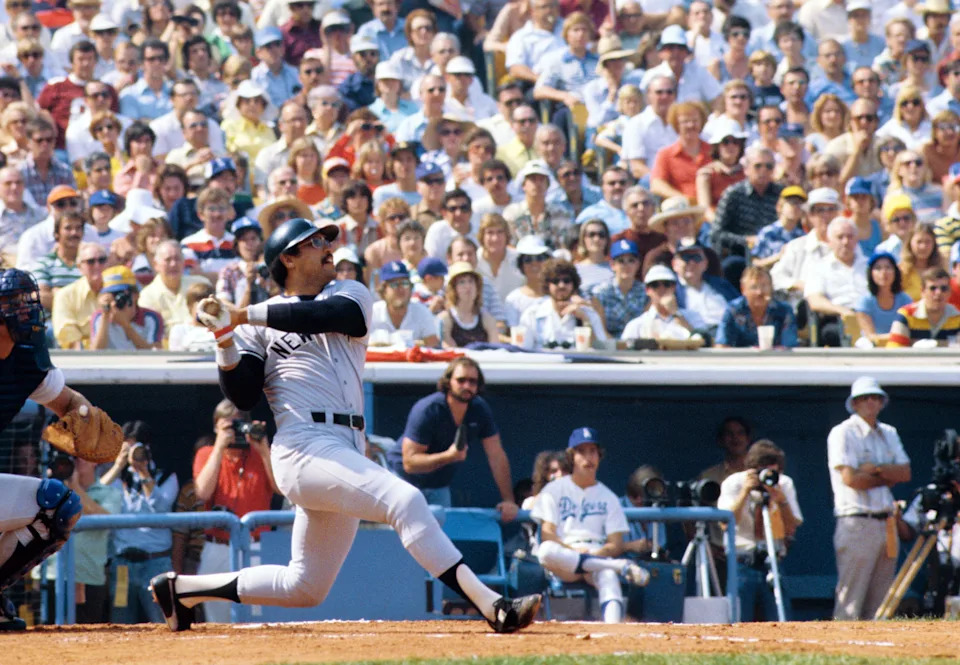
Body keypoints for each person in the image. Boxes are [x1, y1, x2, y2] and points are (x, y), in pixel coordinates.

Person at [150, 219, 541, 634]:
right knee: (405, 502)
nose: (329, 247)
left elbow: (330, 315)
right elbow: (244, 395)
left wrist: (243, 313)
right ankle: (492, 604)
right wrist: (225, 337)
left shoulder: (348, 292)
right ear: (288, 257)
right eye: (315, 241)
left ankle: (182, 590)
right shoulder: (251, 329)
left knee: (305, 586)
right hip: (303, 446)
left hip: (346, 446)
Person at [0, 268, 117, 631]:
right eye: (11, 303)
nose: (24, 310)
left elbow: (67, 401)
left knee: (59, 505)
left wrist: (85, 418)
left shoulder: (25, 357)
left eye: (25, 301)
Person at [532, 427, 650, 624]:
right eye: (582, 451)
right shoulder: (553, 490)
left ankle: (612, 631)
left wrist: (594, 556)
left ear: (599, 456)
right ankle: (619, 566)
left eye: (593, 451)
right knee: (545, 550)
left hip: (597, 555)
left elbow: (615, 544)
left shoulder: (609, 497)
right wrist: (573, 550)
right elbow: (547, 534)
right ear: (571, 456)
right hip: (564, 557)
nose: (588, 457)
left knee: (608, 577)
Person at [828, 376, 911, 620]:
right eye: (865, 398)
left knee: (881, 602)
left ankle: (875, 654)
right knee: (851, 598)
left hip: (886, 522)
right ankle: (842, 653)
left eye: (876, 398)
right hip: (856, 521)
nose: (871, 403)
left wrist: (872, 469)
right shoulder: (842, 432)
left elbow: (905, 472)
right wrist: (887, 474)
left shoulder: (888, 432)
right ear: (854, 404)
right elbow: (851, 479)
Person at [191, 399, 277, 623]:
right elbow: (202, 493)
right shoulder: (207, 453)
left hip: (256, 545)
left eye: (239, 426)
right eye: (229, 426)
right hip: (218, 545)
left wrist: (264, 450)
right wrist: (220, 446)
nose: (235, 432)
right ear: (216, 427)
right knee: (217, 618)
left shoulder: (261, 454)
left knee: (258, 616)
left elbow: (281, 488)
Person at [100, 421, 178, 624]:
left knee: (163, 621)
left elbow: (161, 507)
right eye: (128, 448)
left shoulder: (166, 475)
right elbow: (97, 496)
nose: (133, 454)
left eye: (137, 448)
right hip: (123, 565)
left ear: (148, 448)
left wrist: (144, 473)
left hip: (156, 564)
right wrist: (118, 465)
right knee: (120, 623)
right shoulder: (117, 477)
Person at [717, 439, 803, 622]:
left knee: (780, 618)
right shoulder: (734, 483)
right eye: (762, 472)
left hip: (772, 560)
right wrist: (745, 492)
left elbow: (791, 526)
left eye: (773, 471)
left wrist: (781, 500)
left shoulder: (783, 484)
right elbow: (726, 523)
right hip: (742, 562)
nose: (767, 477)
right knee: (738, 619)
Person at [519, 258, 607, 349]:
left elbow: (602, 351)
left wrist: (585, 321)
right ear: (547, 285)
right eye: (555, 281)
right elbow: (523, 352)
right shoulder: (531, 315)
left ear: (574, 284)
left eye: (566, 280)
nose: (561, 285)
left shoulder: (589, 315)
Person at [621, 265, 705, 342]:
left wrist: (676, 314)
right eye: (655, 285)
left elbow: (705, 342)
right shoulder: (637, 325)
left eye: (666, 284)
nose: (661, 289)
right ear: (647, 290)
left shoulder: (693, 317)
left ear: (674, 287)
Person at [91, 265, 164, 350]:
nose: (117, 299)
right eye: (112, 295)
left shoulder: (151, 318)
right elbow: (95, 353)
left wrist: (125, 325)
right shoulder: (100, 317)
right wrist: (105, 316)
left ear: (136, 295)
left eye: (121, 294)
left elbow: (154, 354)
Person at [369, 261, 440, 347]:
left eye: (405, 283)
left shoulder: (422, 312)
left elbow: (433, 345)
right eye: (394, 284)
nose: (401, 289)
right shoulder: (371, 313)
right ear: (383, 290)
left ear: (411, 287)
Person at [887, 266, 960, 346]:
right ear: (922, 291)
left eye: (943, 288)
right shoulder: (906, 315)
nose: (938, 292)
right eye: (933, 288)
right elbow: (895, 352)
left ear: (949, 292)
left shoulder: (957, 318)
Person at [589, 239, 647, 339]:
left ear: (638, 264)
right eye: (621, 261)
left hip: (639, 346)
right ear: (612, 265)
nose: (626, 265)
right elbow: (600, 330)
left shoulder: (645, 292)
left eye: (631, 261)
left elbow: (647, 328)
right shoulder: (600, 293)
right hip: (608, 347)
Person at [855, 252, 914, 343]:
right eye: (878, 268)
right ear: (870, 273)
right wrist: (895, 336)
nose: (883, 272)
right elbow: (870, 336)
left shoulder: (905, 300)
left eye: (888, 268)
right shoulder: (865, 302)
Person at [437, 262, 499, 348]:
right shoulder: (445, 319)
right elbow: (448, 349)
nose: (468, 286)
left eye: (471, 281)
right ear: (453, 289)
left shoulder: (487, 319)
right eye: (462, 282)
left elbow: (495, 348)